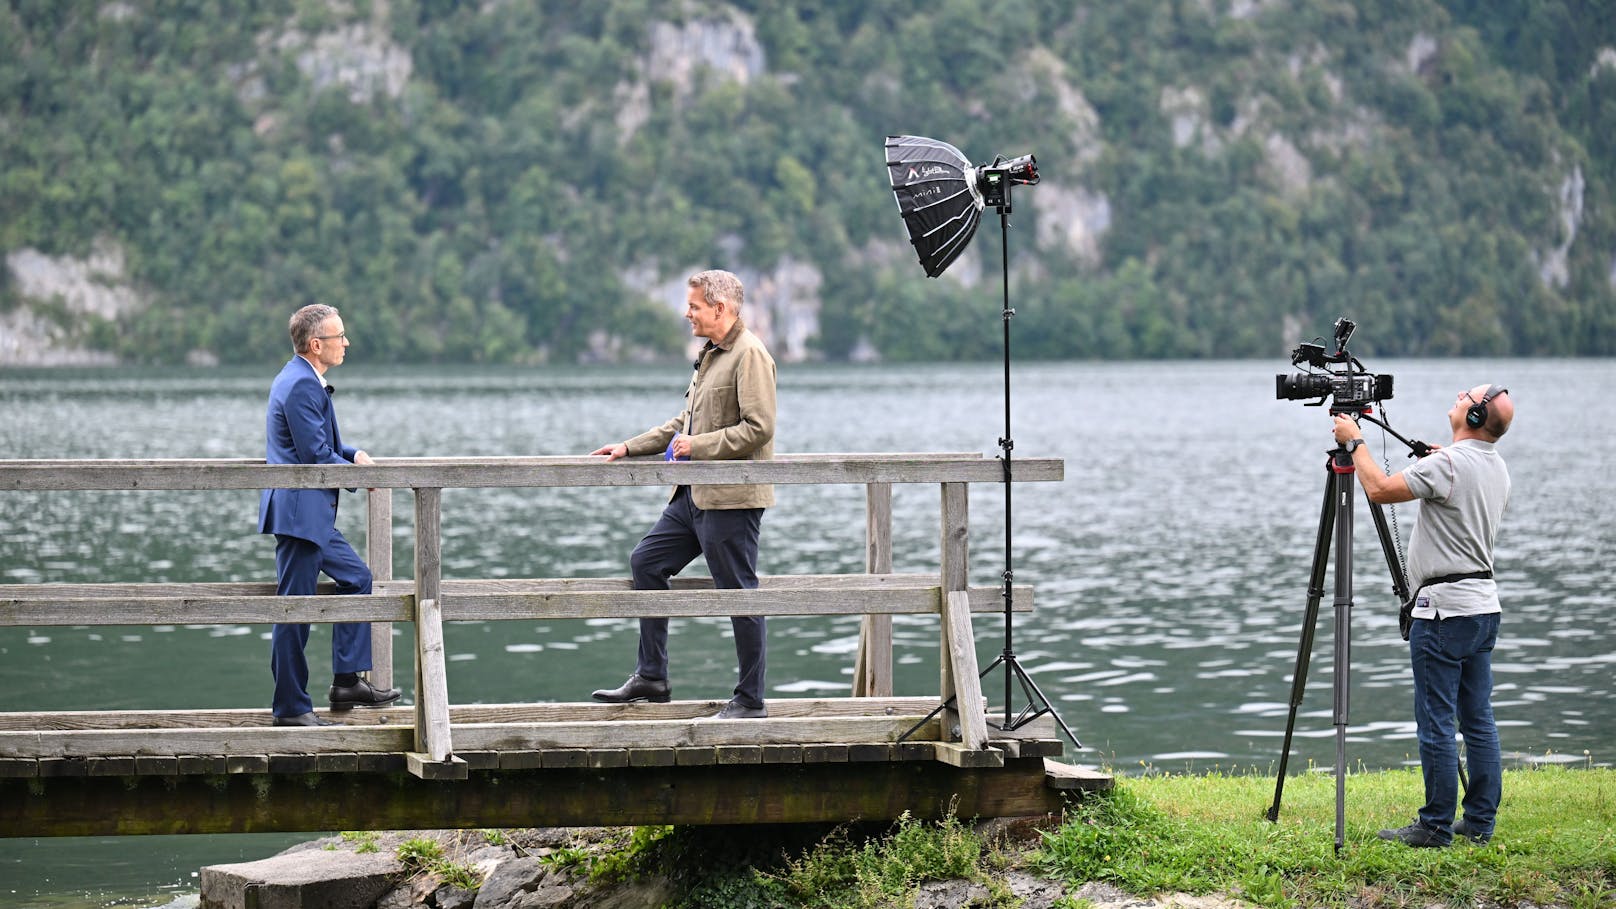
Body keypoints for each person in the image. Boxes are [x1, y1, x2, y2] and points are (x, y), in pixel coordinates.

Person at [589, 270, 777, 719]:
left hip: (731, 499)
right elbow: (682, 425)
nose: (686, 313)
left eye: (693, 306)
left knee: (739, 594)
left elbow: (759, 428)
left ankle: (750, 701)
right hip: (691, 496)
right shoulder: (710, 355)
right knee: (646, 562)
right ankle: (652, 677)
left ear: (720, 308)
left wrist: (700, 446)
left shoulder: (750, 355)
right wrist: (630, 446)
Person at [1333, 383, 1514, 847]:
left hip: (1443, 616)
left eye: (1465, 396)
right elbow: (1455, 479)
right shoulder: (1493, 466)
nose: (1457, 396)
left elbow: (1376, 489)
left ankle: (1434, 826)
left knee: (1436, 720)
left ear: (1474, 418)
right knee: (1477, 720)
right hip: (1482, 610)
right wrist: (1439, 458)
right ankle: (1478, 824)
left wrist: (1355, 442)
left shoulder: (1449, 465)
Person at [258, 304, 401, 726]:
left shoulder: (301, 378)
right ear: (317, 344)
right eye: (340, 337)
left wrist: (353, 453)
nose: (346, 343)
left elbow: (321, 444)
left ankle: (346, 680)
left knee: (358, 579)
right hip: (301, 517)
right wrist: (358, 476)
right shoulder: (301, 385)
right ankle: (290, 708)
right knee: (295, 613)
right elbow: (314, 455)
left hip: (310, 515)